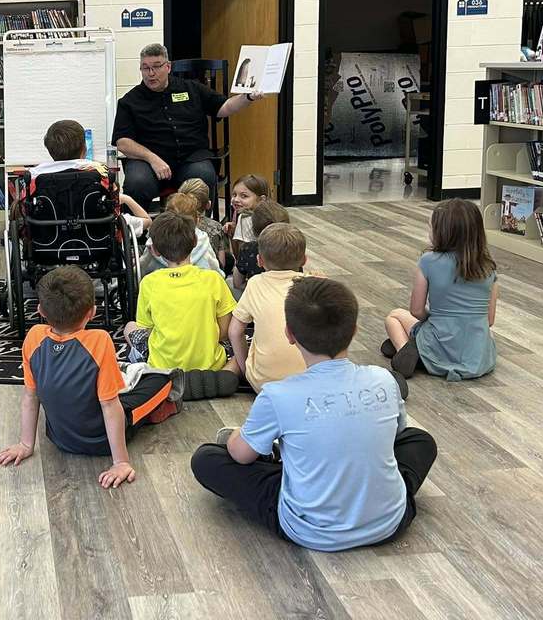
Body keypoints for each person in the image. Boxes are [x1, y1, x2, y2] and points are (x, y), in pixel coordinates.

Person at [192, 277, 437, 552]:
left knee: (206, 459)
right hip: (390, 522)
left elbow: (239, 455)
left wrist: (239, 435)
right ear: (354, 330)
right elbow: (396, 435)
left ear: (289, 334)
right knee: (421, 441)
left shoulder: (277, 395)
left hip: (310, 529)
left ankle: (292, 461)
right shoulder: (384, 379)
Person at [0, 266, 176, 488]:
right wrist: (120, 462)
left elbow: (30, 397)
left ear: (41, 310)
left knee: (114, 378)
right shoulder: (100, 340)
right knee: (163, 379)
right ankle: (160, 406)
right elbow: (110, 406)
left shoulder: (33, 338)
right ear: (92, 312)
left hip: (60, 439)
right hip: (102, 441)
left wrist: (25, 444)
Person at [112, 43, 263, 209]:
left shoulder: (191, 89)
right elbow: (123, 142)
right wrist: (152, 158)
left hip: (191, 158)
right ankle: (137, 231)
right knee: (137, 183)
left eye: (156, 66)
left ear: (168, 67)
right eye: (145, 68)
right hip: (150, 162)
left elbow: (224, 107)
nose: (151, 73)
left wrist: (247, 97)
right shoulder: (130, 101)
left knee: (203, 177)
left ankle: (198, 230)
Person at [383, 199, 498, 381]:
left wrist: (432, 318)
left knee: (394, 316)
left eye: (431, 228)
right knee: (487, 333)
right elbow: (489, 320)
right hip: (477, 359)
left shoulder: (428, 261)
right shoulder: (489, 267)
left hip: (438, 340)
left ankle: (406, 350)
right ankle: (415, 349)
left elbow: (416, 310)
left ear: (442, 233)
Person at [125, 211, 236, 377]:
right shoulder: (213, 279)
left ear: (154, 250)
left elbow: (146, 330)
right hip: (210, 365)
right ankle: (217, 379)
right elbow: (225, 332)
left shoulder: (149, 283)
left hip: (162, 368)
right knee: (240, 355)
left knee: (129, 327)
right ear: (195, 242)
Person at [31, 118, 153, 238]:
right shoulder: (99, 173)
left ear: (49, 150)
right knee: (143, 221)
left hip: (48, 239)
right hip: (98, 236)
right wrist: (125, 199)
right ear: (84, 148)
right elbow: (113, 204)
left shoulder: (36, 176)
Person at [225, 223, 307, 391]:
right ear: (304, 260)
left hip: (263, 383)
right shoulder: (314, 284)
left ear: (259, 261)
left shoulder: (255, 283)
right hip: (310, 381)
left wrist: (245, 368)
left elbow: (234, 331)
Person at [139, 192, 222, 277]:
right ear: (197, 220)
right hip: (198, 287)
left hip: (162, 287)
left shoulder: (155, 241)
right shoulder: (203, 242)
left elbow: (141, 269)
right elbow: (216, 271)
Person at [231, 200, 291, 292]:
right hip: (290, 296)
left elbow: (238, 283)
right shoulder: (293, 248)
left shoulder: (248, 249)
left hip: (257, 293)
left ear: (254, 229)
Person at [178, 177, 229, 272]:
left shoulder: (168, 224)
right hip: (206, 276)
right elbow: (222, 263)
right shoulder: (215, 227)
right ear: (208, 205)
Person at [223, 173, 270, 251]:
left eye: (244, 196)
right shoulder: (270, 212)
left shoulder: (244, 218)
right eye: (234, 195)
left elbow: (241, 254)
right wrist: (234, 229)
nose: (236, 200)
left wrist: (233, 234)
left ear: (261, 200)